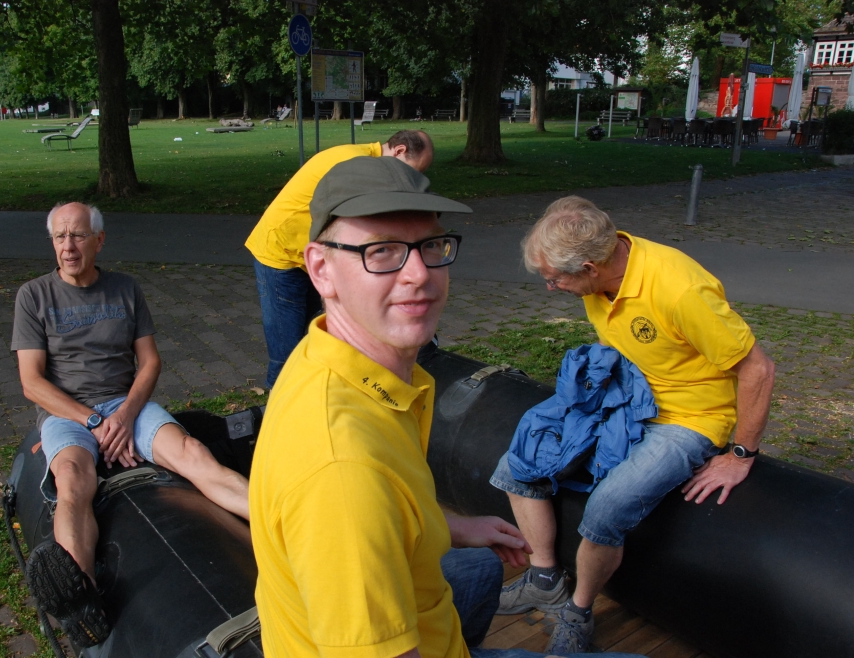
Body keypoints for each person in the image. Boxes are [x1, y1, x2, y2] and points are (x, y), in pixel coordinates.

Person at [249, 160, 643, 658]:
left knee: (480, 566)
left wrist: (451, 527)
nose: (419, 274)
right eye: (381, 250)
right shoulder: (343, 472)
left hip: (415, 613)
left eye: (430, 245)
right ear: (321, 269)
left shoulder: (325, 355)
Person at [492, 196, 776, 653]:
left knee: (606, 509)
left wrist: (740, 455)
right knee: (516, 464)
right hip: (625, 397)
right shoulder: (601, 273)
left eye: (555, 278)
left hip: (688, 416)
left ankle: (578, 611)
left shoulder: (679, 289)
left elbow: (758, 369)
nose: (550, 287)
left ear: (590, 268)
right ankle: (545, 579)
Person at [12, 202, 250, 648]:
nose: (68, 246)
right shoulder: (34, 296)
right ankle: (81, 599)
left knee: (194, 454)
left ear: (99, 240)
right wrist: (94, 421)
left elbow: (150, 362)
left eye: (78, 236)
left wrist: (122, 416)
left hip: (127, 405)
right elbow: (32, 383)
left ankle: (285, 530)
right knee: (73, 481)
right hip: (68, 413)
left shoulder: (125, 288)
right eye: (60, 237)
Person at [245, 129, 434, 389]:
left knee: (312, 335)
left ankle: (313, 388)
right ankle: (277, 401)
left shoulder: (364, 162)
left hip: (309, 257)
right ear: (399, 151)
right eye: (413, 171)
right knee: (286, 348)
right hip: (281, 254)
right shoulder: (353, 165)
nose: (409, 181)